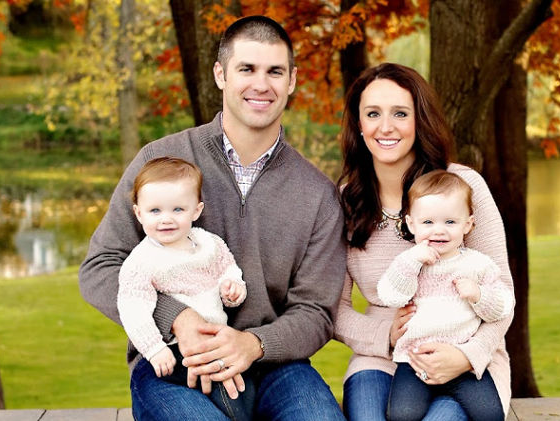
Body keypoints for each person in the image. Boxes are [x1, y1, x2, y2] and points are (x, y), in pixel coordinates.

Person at [79, 15, 347, 421]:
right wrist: (177, 319)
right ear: (221, 74)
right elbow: (100, 266)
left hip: (275, 367)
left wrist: (253, 344)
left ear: (292, 80)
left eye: (274, 71)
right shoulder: (160, 160)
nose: (261, 84)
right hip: (172, 363)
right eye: (247, 69)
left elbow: (316, 312)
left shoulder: (318, 196)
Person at [334, 62, 514, 421]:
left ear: (420, 119)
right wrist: (384, 333)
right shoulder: (345, 202)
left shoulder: (462, 187)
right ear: (358, 124)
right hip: (383, 358)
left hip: (465, 352)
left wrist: (466, 356)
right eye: (373, 114)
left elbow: (502, 294)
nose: (386, 127)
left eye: (400, 113)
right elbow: (332, 309)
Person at [117, 157, 252, 421]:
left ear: (196, 210)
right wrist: (154, 348)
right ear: (138, 213)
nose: (166, 219)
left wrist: (233, 289)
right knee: (225, 394)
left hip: (217, 344)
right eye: (155, 211)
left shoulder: (208, 244)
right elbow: (133, 308)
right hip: (173, 350)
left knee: (238, 395)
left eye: (178, 209)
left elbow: (228, 270)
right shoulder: (142, 260)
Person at [377, 169, 513, 421]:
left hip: (462, 362)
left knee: (490, 414)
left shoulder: (478, 265)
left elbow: (504, 305)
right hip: (414, 360)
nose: (438, 231)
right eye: (428, 223)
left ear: (468, 224)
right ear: (411, 224)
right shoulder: (409, 262)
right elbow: (390, 295)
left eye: (450, 222)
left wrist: (479, 295)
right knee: (402, 415)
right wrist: (411, 262)